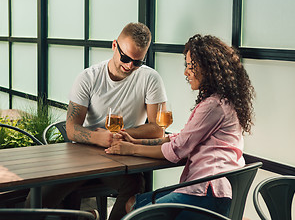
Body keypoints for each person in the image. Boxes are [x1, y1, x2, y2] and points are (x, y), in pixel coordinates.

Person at [26, 22, 167, 220]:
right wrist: (98, 138)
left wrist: (124, 135)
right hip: (81, 154)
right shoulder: (88, 77)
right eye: (125, 58)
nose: (129, 66)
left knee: (135, 186)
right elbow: (72, 128)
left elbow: (157, 129)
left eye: (137, 62)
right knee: (37, 198)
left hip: (121, 154)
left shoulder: (151, 78)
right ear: (114, 46)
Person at [105, 34, 255, 218]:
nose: (186, 72)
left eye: (191, 66)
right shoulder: (225, 102)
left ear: (208, 68)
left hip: (206, 193)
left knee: (138, 210)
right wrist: (137, 140)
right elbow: (181, 138)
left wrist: (131, 149)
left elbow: (177, 149)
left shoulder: (213, 106)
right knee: (132, 203)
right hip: (218, 191)